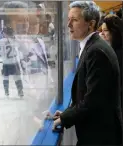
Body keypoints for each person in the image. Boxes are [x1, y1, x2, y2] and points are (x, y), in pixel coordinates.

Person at [52, 1, 123, 145]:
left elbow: (93, 100)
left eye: (75, 20)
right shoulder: (92, 47)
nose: (68, 25)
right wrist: (67, 113)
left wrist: (65, 118)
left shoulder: (96, 51)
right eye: (68, 20)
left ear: (90, 24)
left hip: (100, 137)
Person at [100, 14, 123, 117]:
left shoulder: (117, 55)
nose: (102, 33)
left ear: (114, 31)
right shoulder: (114, 50)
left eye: (105, 30)